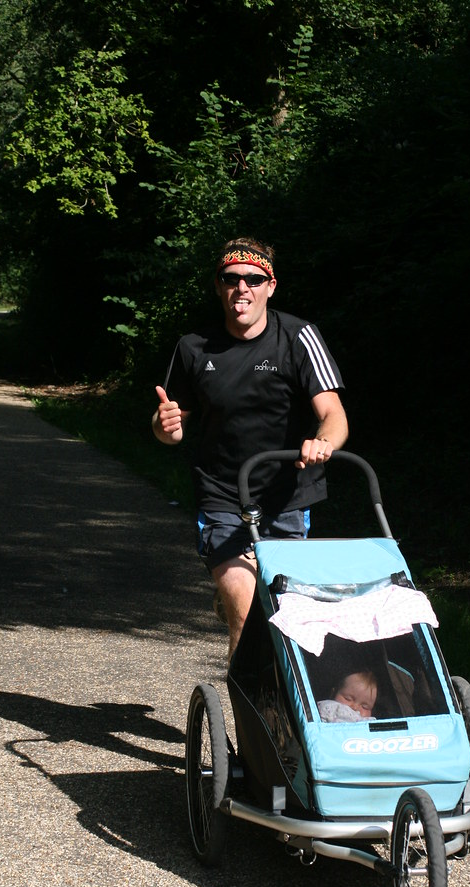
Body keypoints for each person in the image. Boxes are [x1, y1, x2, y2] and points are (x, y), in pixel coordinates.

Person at [152, 237, 349, 659]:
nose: (243, 288)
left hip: (287, 499)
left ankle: (291, 716)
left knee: (289, 618)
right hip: (224, 498)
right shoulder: (193, 347)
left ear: (270, 285)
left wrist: (322, 442)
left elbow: (334, 414)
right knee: (244, 612)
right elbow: (168, 423)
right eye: (231, 278)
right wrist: (164, 426)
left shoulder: (298, 337)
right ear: (218, 286)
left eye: (253, 279)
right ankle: (252, 725)